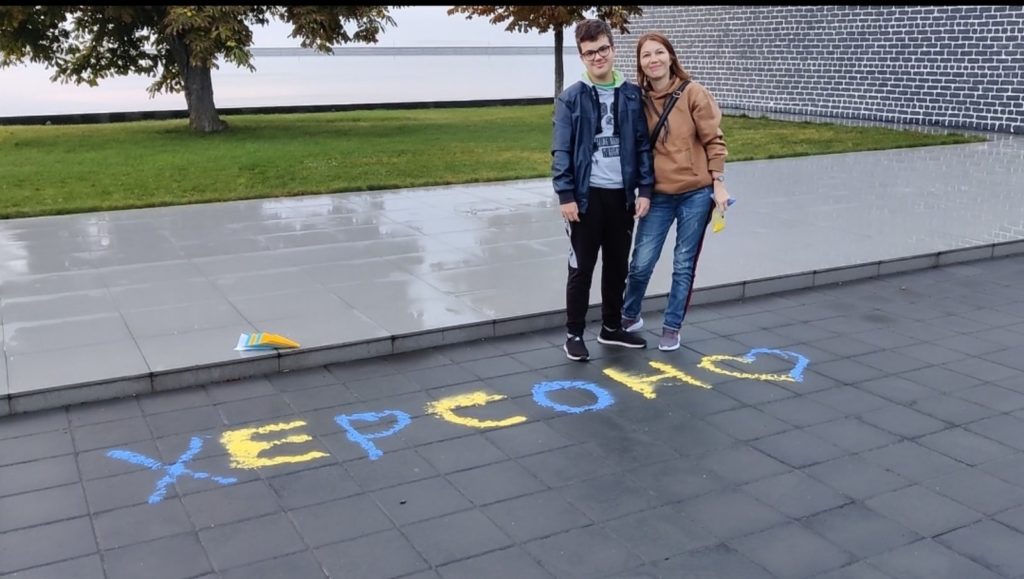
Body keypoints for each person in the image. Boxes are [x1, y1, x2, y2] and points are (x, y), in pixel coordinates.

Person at [620, 32, 731, 352]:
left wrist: (718, 183)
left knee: (683, 263)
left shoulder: (694, 93)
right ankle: (630, 314)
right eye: (646, 55)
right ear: (640, 63)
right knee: (641, 261)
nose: (653, 60)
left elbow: (714, 140)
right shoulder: (638, 100)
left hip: (695, 193)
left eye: (659, 53)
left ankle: (672, 325)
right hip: (657, 194)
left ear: (670, 56)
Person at [552, 18, 655, 361]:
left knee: (617, 266)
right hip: (585, 197)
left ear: (613, 48)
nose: (597, 57)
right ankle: (573, 333)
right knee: (581, 268)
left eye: (603, 49)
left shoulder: (631, 94)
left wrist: (644, 188)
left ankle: (611, 328)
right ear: (582, 56)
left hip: (621, 196)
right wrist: (565, 195)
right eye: (589, 52)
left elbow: (642, 145)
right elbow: (562, 150)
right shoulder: (571, 98)